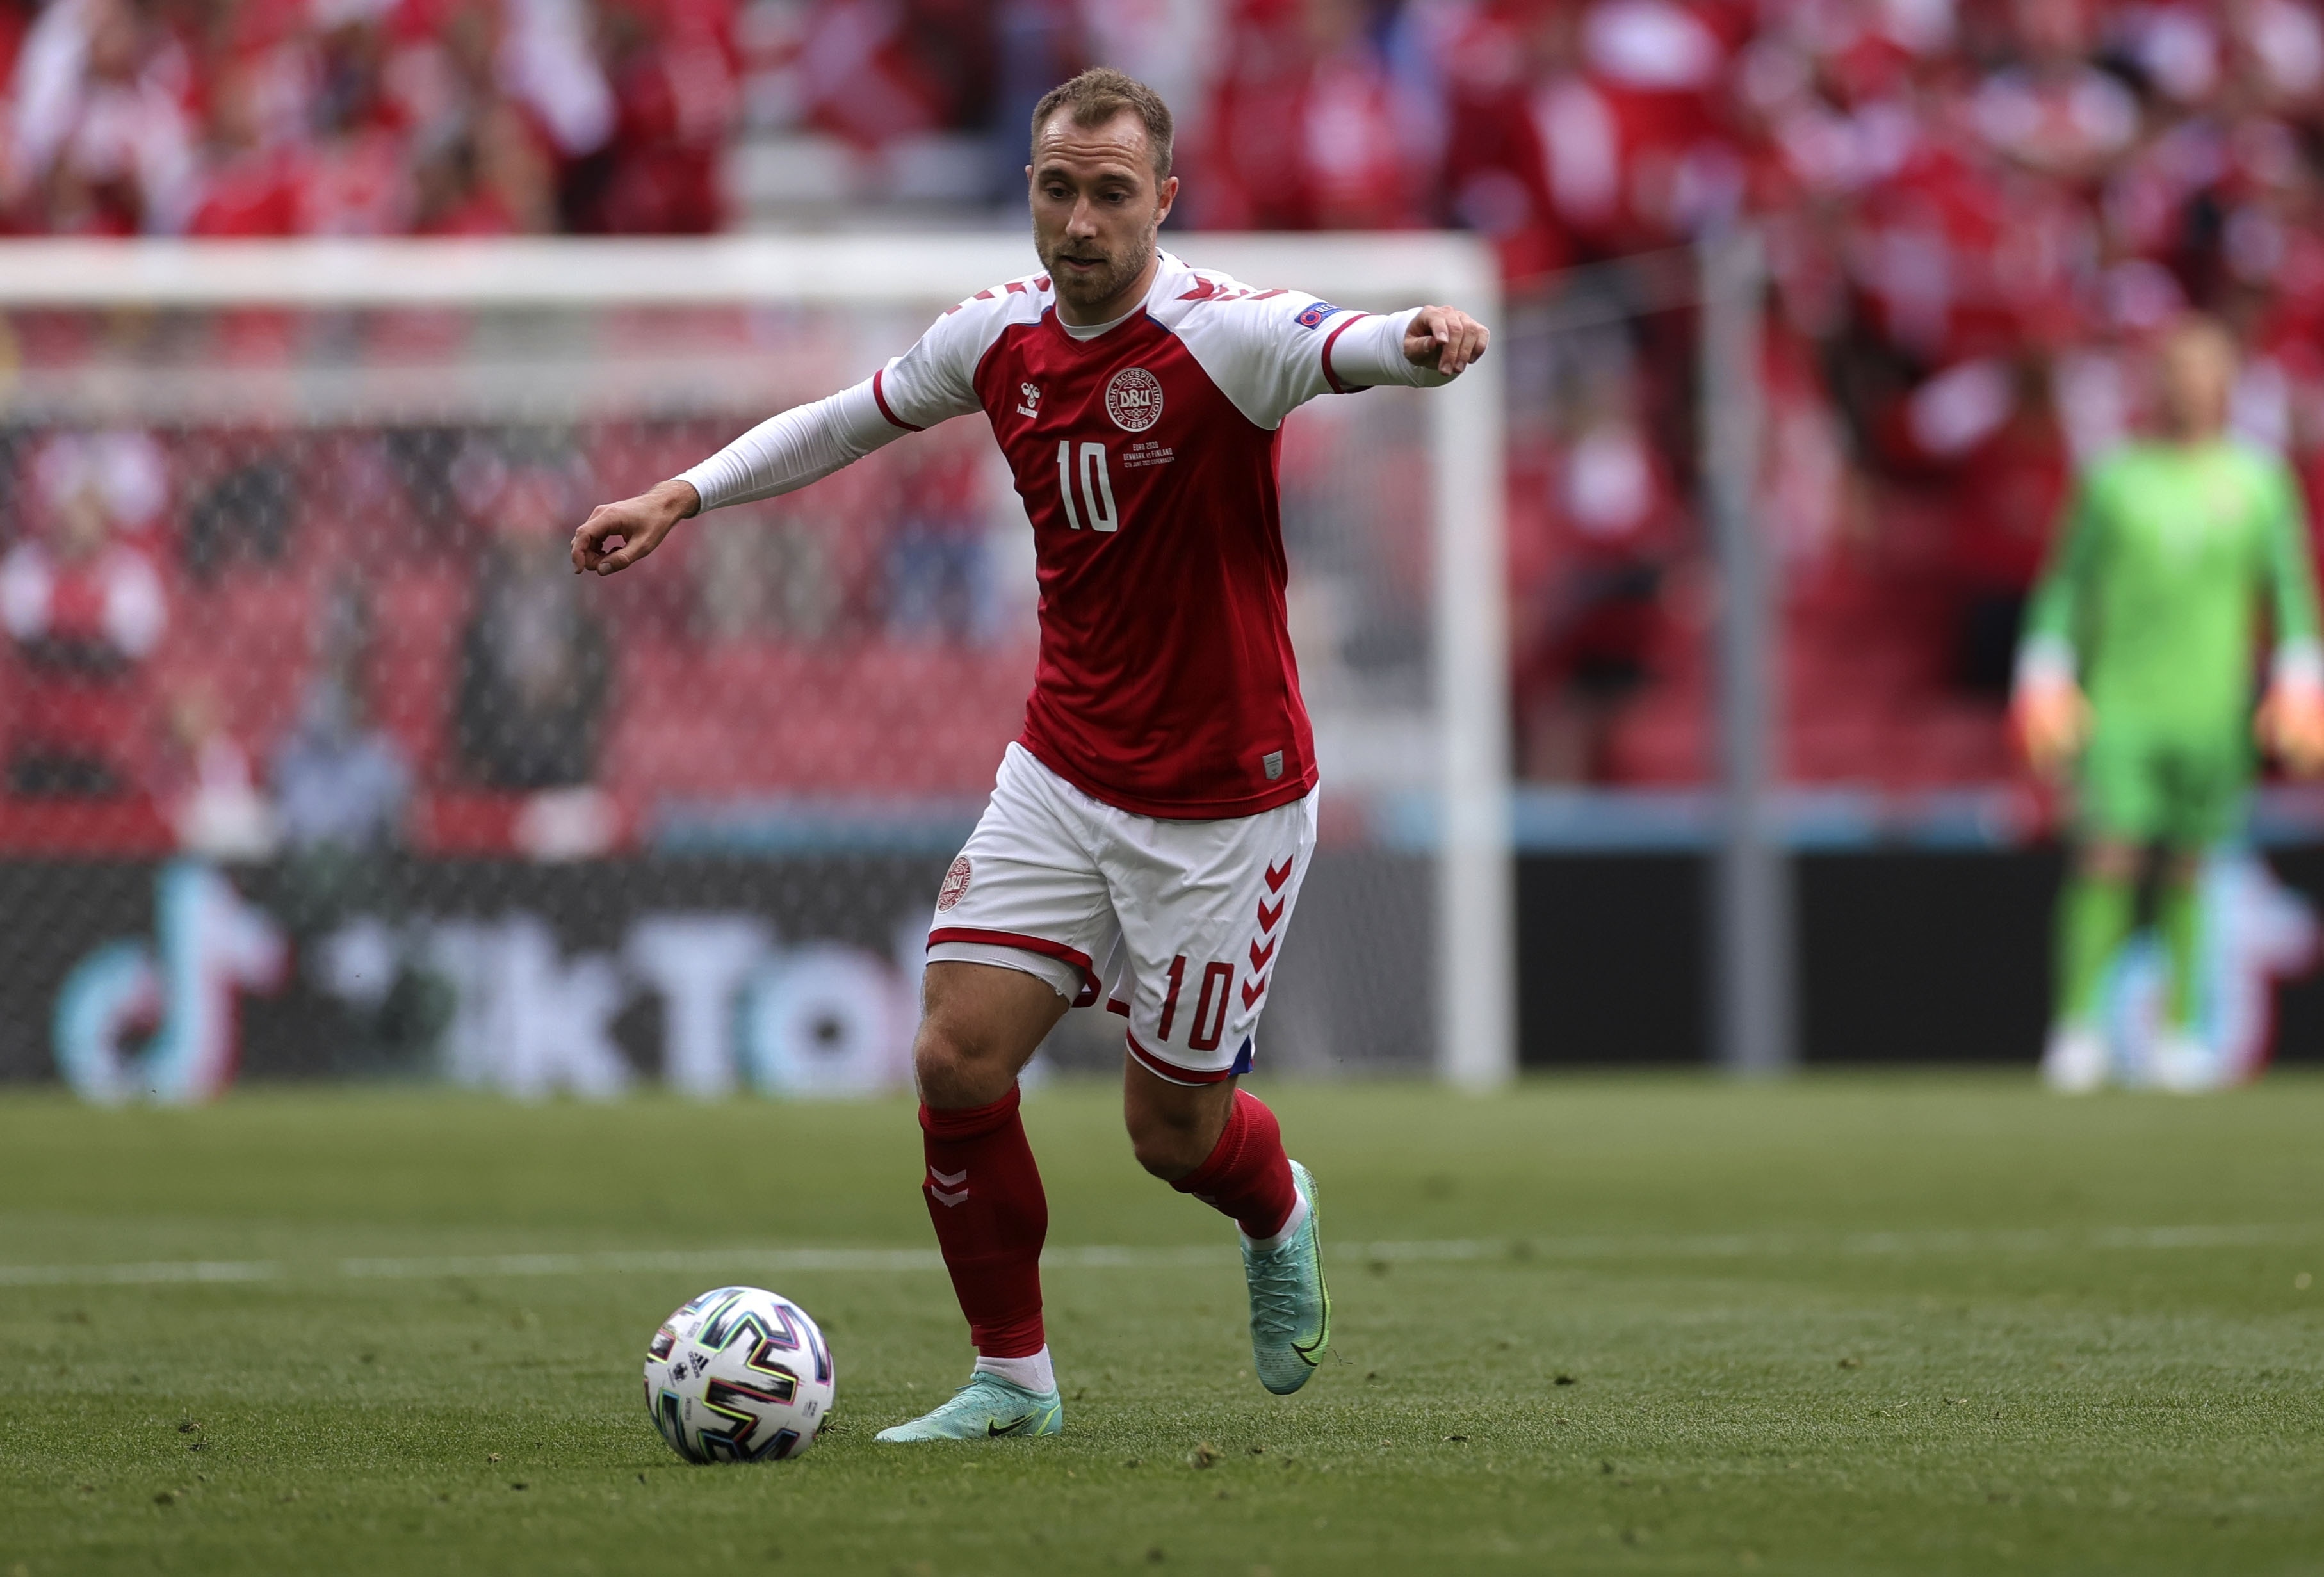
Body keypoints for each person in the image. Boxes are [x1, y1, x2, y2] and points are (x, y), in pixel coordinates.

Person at [571, 67, 1489, 1439]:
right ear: (1029, 190)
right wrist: (682, 493)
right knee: (952, 1056)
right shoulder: (996, 333)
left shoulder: (1222, 334)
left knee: (1168, 1134)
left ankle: (1276, 1205)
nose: (1079, 222)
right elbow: (846, 417)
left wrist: (1417, 341)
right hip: (1061, 769)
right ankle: (1013, 1378)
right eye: (1056, 190)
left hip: (1221, 805)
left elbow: (1343, 341)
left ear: (1161, 200)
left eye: (1109, 194)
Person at [2012, 316, 2324, 1092]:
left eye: (2202, 372)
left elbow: (2286, 586)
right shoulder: (2114, 479)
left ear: (2224, 384)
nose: (2188, 388)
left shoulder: (2257, 482)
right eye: (2176, 372)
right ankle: (2076, 1029)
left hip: (2212, 708)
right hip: (2121, 702)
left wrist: (2300, 672)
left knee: (2192, 864)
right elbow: (2065, 583)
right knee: (2107, 853)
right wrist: (2044, 667)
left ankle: (2181, 1034)